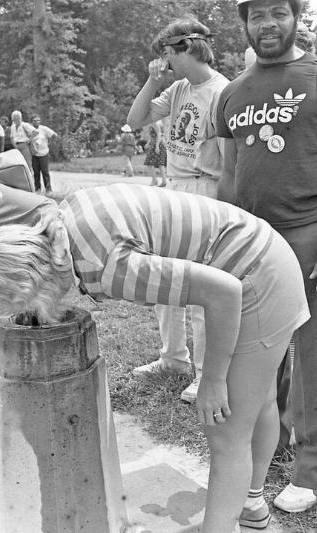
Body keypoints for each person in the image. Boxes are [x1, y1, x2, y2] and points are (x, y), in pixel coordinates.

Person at [0, 184, 309, 532]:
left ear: (33, 289)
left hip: (257, 278)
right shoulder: (57, 221)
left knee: (226, 430)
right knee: (260, 399)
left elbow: (224, 292)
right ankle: (250, 505)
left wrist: (213, 379)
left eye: (21, 308)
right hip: (265, 250)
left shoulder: (108, 267)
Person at [216, 0, 317, 514]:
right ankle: (273, 441)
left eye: (278, 12)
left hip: (310, 234)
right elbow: (229, 174)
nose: (268, 24)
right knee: (262, 347)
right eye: (257, 15)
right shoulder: (232, 93)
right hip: (254, 239)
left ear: (296, 18)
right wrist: (220, 239)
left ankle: (316, 470)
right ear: (245, 24)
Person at [127, 16, 229, 403]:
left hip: (206, 187)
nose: (163, 60)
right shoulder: (179, 89)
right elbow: (134, 120)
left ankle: (205, 371)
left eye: (168, 53)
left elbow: (226, 157)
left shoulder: (222, 91)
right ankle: (173, 357)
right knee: (165, 278)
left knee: (202, 286)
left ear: (186, 49)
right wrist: (154, 81)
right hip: (175, 188)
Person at [29, 114, 58, 193]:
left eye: (38, 120)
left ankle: (48, 189)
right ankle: (37, 188)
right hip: (34, 154)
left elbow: (54, 135)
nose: (36, 122)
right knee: (36, 172)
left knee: (45, 172)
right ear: (31, 122)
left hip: (44, 154)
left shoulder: (44, 129)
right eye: (34, 120)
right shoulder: (29, 129)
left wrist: (49, 142)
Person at [144, 119, 168, 186]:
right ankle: (163, 181)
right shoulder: (158, 122)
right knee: (160, 163)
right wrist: (148, 143)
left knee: (149, 162)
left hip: (156, 144)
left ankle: (154, 180)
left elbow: (159, 134)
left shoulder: (155, 123)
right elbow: (154, 136)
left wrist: (157, 146)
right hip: (159, 143)